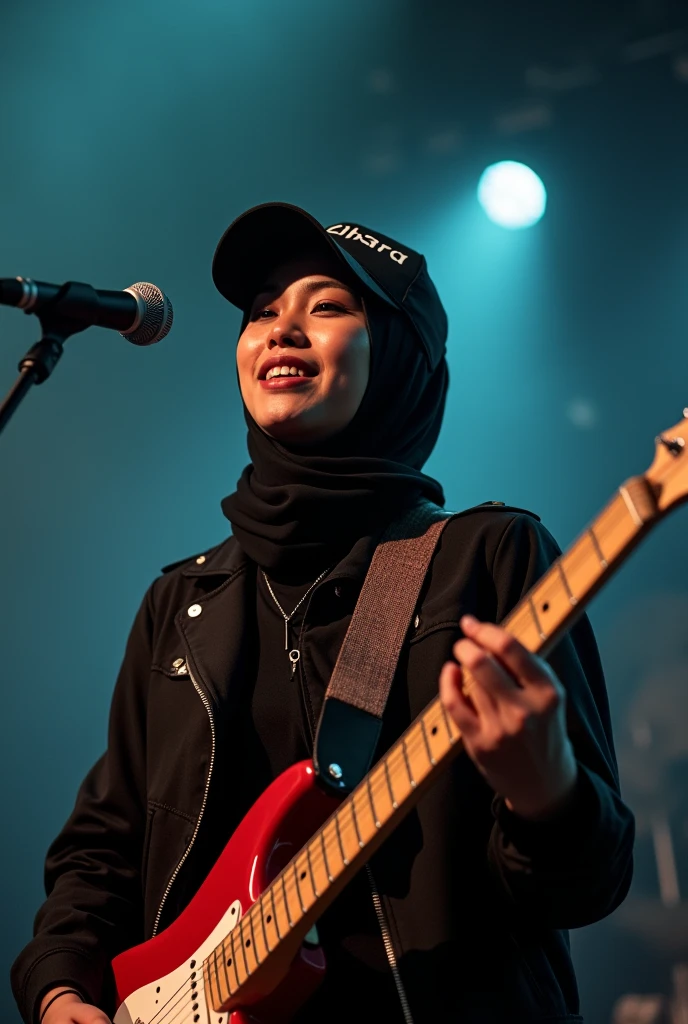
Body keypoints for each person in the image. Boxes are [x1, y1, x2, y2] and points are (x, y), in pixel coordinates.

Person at [11, 203, 635, 1024]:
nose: (282, 330)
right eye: (263, 312)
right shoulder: (182, 604)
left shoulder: (487, 558)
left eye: (328, 306)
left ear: (401, 357)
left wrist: (547, 792)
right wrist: (59, 992)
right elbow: (102, 851)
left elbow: (587, 883)